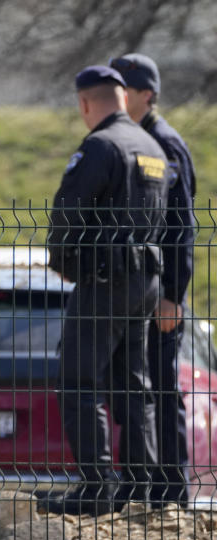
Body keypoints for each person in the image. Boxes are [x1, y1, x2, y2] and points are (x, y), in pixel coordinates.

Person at [44, 66, 168, 516]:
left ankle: (97, 489)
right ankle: (141, 488)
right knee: (134, 385)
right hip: (144, 281)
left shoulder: (101, 145)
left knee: (79, 382)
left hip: (103, 281)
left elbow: (68, 211)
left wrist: (63, 263)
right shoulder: (149, 146)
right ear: (121, 96)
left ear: (84, 103)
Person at [110, 53, 197, 508]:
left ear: (147, 94)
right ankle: (138, 488)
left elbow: (180, 228)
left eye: (126, 88)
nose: (119, 98)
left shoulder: (164, 143)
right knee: (132, 391)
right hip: (132, 294)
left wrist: (172, 296)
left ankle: (171, 492)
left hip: (158, 295)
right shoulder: (131, 141)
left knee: (163, 391)